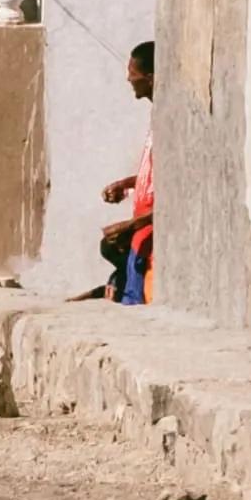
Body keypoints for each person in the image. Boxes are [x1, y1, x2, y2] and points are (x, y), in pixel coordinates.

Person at [100, 36, 158, 302]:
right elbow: (155, 177)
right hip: (140, 235)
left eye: (132, 74)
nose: (128, 80)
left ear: (150, 77)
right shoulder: (158, 118)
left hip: (148, 241)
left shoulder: (171, 123)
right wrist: (127, 184)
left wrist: (132, 225)